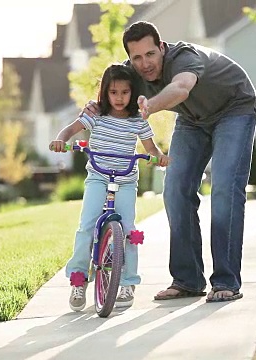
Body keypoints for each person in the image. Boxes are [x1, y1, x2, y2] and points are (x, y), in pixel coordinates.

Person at [83, 21, 256, 302]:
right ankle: (187, 280)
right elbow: (112, 94)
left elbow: (181, 87)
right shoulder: (132, 72)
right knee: (175, 190)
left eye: (150, 54)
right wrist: (95, 107)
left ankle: (226, 281)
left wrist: (151, 106)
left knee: (225, 189)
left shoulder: (184, 58)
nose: (145, 63)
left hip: (234, 107)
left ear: (162, 48)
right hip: (193, 119)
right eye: (137, 57)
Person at [50, 64, 170, 312]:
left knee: (128, 230)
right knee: (86, 225)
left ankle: (127, 282)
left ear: (132, 92)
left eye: (125, 92)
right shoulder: (95, 115)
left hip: (125, 180)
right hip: (98, 177)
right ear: (105, 92)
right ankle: (79, 279)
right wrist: (62, 139)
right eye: (113, 92)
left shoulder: (138, 121)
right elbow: (70, 129)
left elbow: (150, 148)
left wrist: (160, 157)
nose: (118, 98)